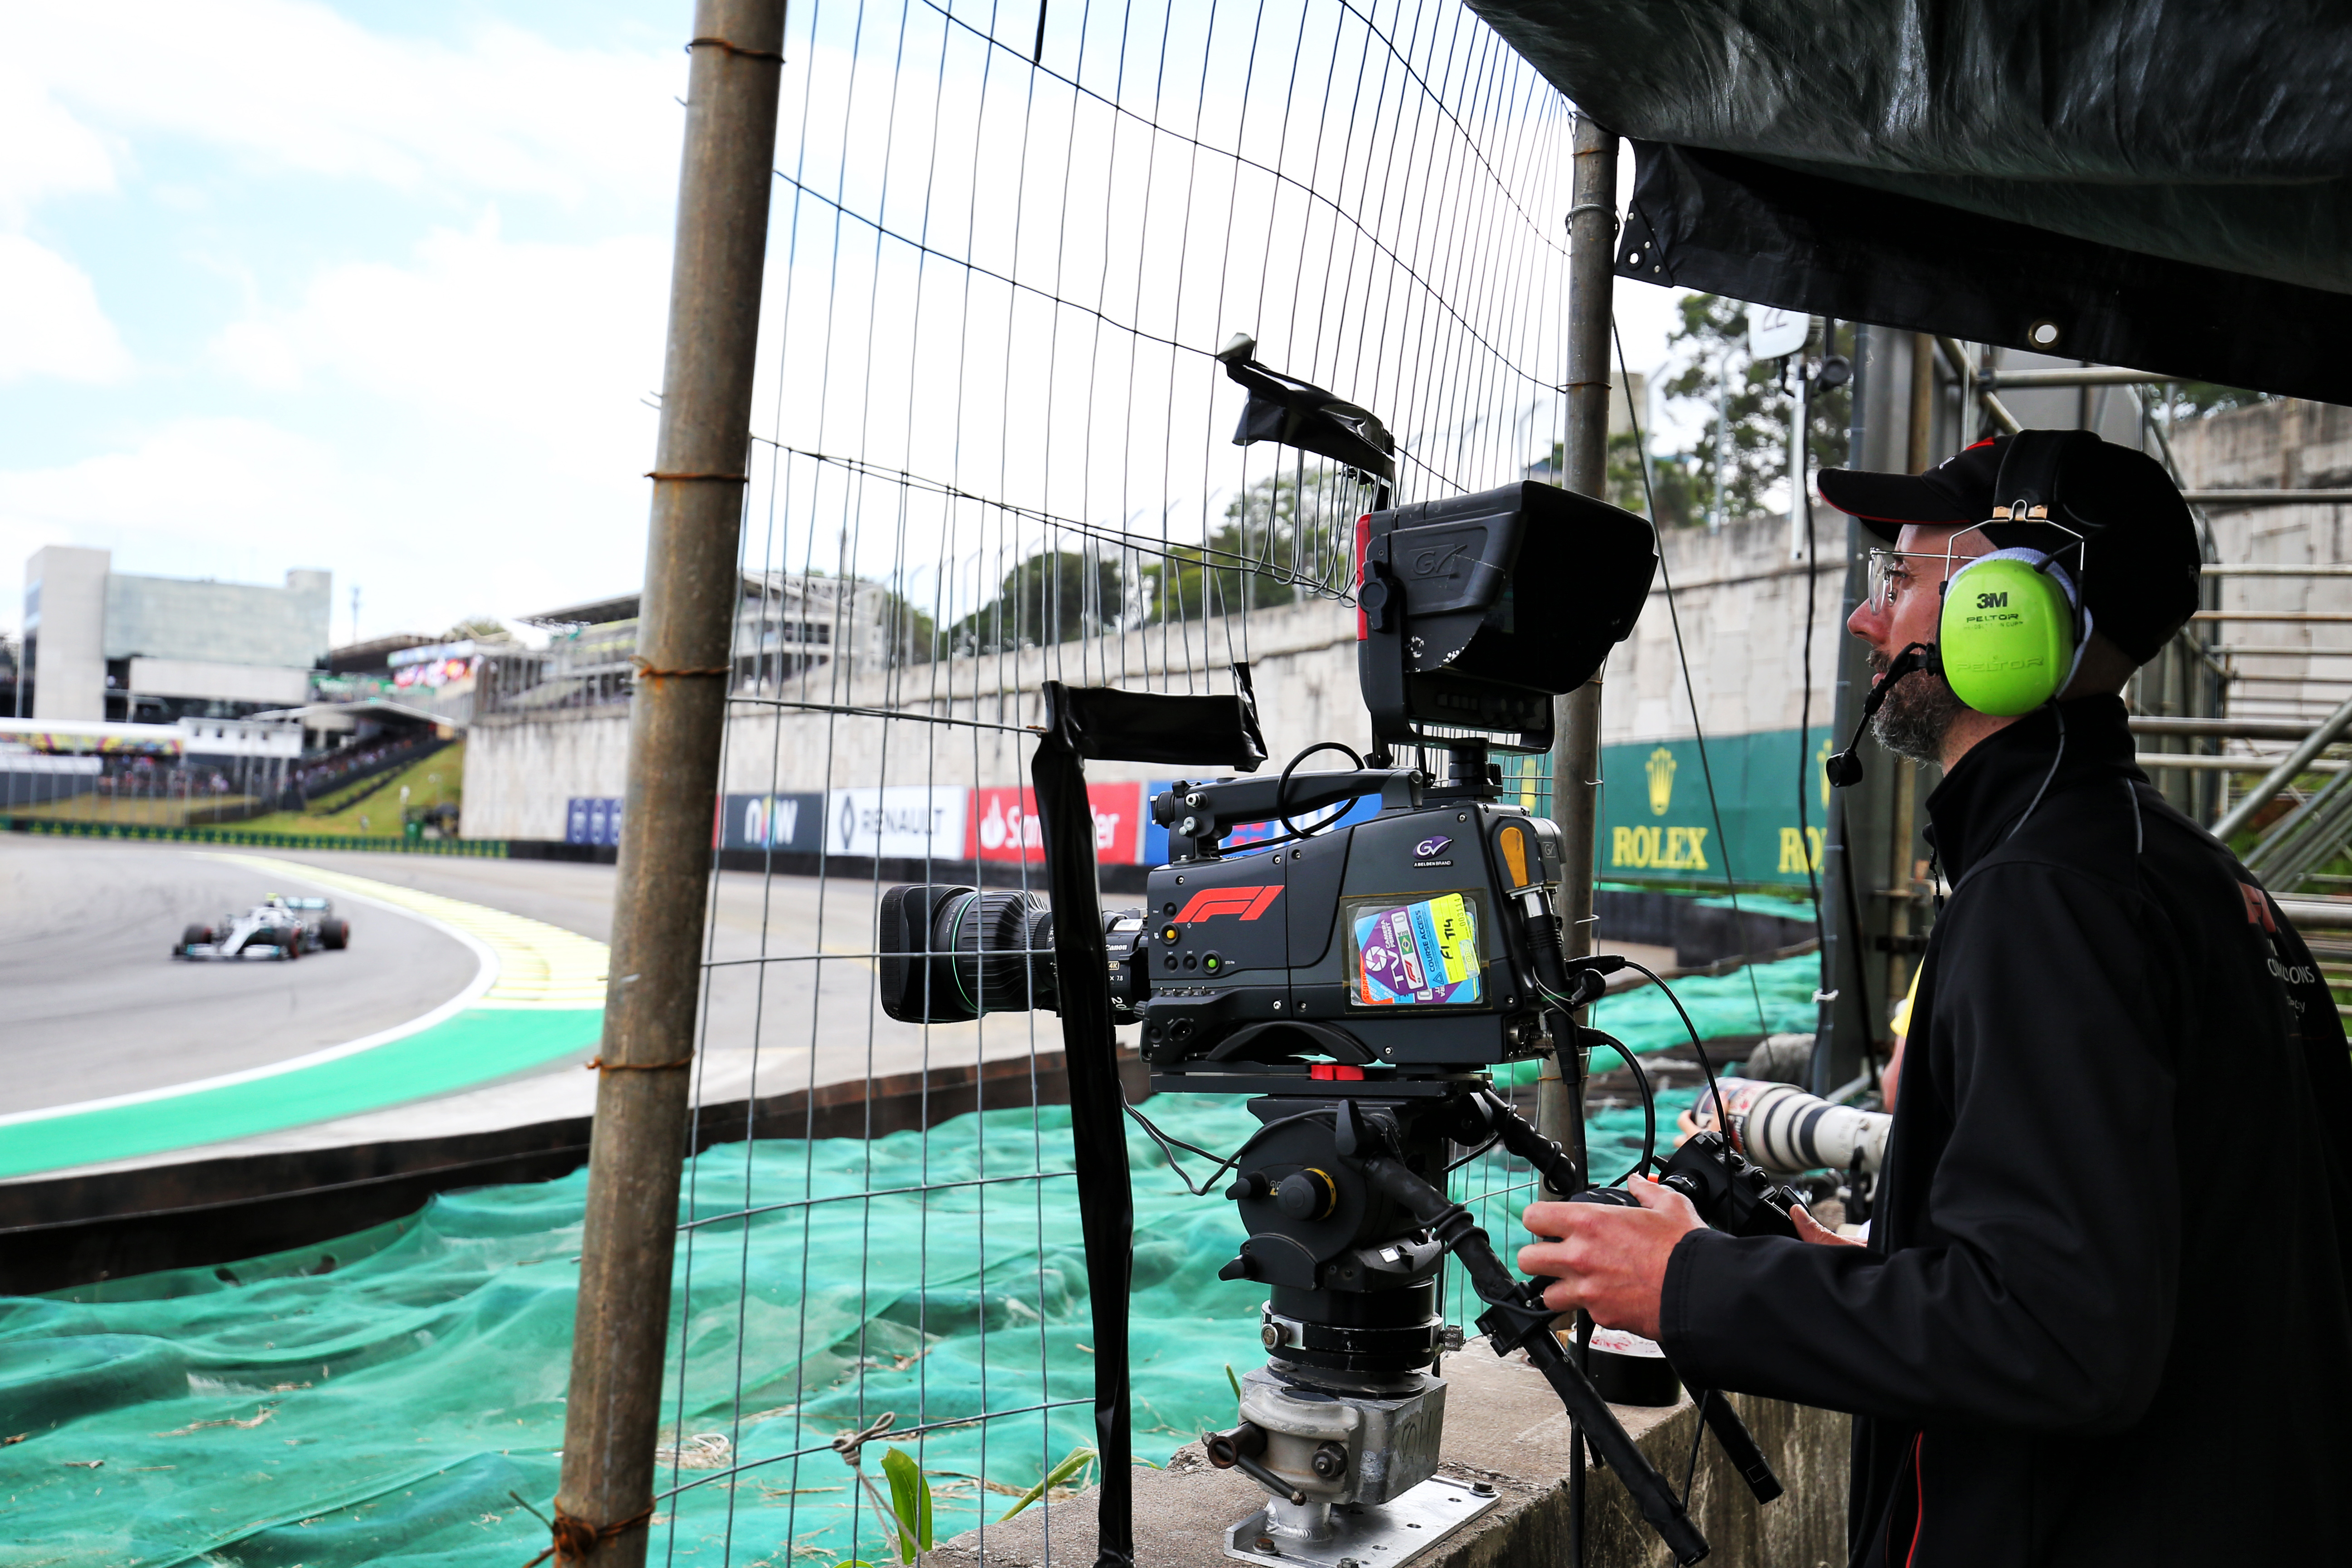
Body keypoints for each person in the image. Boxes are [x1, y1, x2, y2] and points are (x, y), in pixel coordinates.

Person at [1521, 431, 2352, 1565]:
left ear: (2009, 608)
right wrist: (1854, 1268)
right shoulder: (2200, 879)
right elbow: (2166, 1263)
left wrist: (1693, 1285)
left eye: (1902, 580)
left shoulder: (2048, 897)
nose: (1870, 620)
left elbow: (2061, 1339)